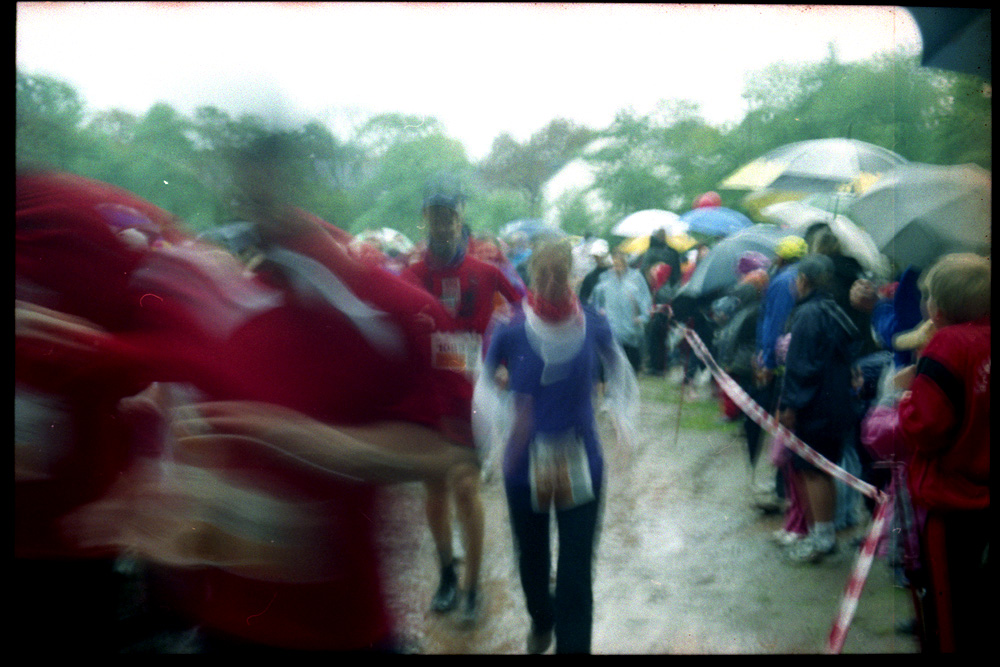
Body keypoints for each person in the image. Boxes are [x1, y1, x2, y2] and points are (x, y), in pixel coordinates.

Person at [476, 239, 639, 654]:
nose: (550, 282)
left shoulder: (593, 321)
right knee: (531, 562)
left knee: (575, 572)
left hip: (581, 460)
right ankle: (541, 618)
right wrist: (496, 433)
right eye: (542, 273)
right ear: (531, 275)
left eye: (558, 273)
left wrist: (620, 414)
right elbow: (484, 383)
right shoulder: (510, 324)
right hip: (523, 463)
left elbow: (619, 366)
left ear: (572, 276)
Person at [400, 177, 524, 624]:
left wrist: (510, 358)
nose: (442, 223)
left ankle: (473, 587)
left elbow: (525, 310)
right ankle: (447, 573)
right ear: (424, 220)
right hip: (426, 396)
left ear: (461, 216)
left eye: (449, 214)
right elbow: (391, 323)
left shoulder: (487, 272)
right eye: (434, 215)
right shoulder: (411, 276)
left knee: (467, 487)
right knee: (434, 487)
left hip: (472, 396)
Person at [895, 253, 989, 654]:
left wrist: (903, 401)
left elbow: (926, 428)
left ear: (939, 306)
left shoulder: (948, 343)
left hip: (955, 499)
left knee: (952, 606)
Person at [777, 253, 861, 563]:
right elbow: (853, 344)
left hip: (816, 406)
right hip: (836, 402)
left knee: (814, 471)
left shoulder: (808, 314)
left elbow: (800, 366)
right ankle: (821, 535)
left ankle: (822, 539)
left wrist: (789, 405)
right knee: (817, 469)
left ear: (803, 281)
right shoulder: (834, 309)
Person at [590, 250, 652, 373]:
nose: (616, 268)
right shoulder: (606, 279)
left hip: (630, 329)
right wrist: (599, 312)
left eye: (618, 264)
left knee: (630, 363)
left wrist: (642, 317)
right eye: (614, 264)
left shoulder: (636, 278)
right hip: (612, 327)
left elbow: (645, 300)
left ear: (625, 264)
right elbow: (596, 299)